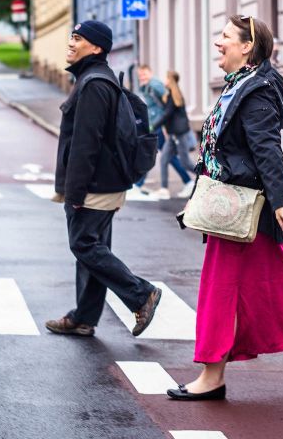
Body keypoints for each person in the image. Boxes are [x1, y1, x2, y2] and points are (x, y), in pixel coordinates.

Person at [167, 15, 283, 402]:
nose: (217, 43)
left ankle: (212, 375)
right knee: (273, 285)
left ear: (247, 47)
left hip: (241, 208)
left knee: (220, 289)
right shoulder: (240, 85)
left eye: (225, 37)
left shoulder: (255, 90)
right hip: (236, 204)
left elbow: (266, 149)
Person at [45, 20, 162, 338]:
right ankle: (84, 316)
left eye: (78, 38)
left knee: (84, 245)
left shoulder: (94, 84)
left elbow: (87, 143)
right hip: (104, 182)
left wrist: (74, 193)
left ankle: (141, 294)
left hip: (95, 185)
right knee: (94, 248)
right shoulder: (95, 79)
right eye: (71, 36)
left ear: (96, 48)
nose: (71, 42)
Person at [134, 65, 190, 195]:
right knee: (166, 156)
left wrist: (162, 124)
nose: (142, 77)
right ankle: (187, 181)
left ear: (150, 73)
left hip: (158, 125)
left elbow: (167, 102)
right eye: (140, 75)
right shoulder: (147, 86)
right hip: (156, 123)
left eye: (144, 74)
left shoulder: (155, 84)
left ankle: (140, 184)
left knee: (151, 152)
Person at [151, 71, 193, 200]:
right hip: (173, 134)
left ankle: (208, 177)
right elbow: (166, 110)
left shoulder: (175, 96)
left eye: (167, 78)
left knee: (186, 162)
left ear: (171, 80)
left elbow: (166, 114)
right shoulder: (170, 96)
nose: (165, 81)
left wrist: (153, 126)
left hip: (179, 134)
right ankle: (164, 189)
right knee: (164, 159)